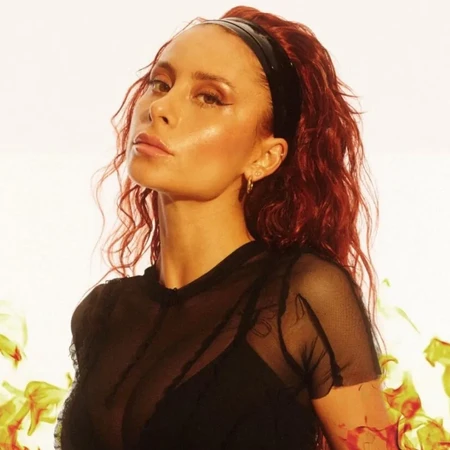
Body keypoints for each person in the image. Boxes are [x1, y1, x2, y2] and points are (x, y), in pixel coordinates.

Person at [54, 5, 397, 450]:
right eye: (161, 83)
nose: (161, 107)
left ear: (265, 157)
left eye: (209, 97)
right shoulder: (102, 315)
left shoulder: (302, 297)